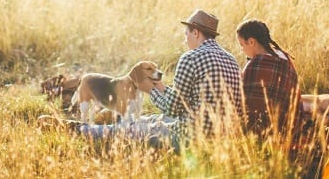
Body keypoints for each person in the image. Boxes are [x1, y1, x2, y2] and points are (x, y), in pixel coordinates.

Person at [75, 9, 243, 151]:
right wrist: (162, 87)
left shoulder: (190, 58)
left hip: (188, 137)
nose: (185, 39)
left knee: (125, 130)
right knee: (149, 119)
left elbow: (173, 109)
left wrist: (151, 91)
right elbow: (188, 102)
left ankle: (82, 130)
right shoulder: (232, 60)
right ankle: (104, 121)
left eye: (186, 34)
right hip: (221, 138)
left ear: (196, 32)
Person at [236, 19, 301, 135]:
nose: (242, 50)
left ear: (251, 42)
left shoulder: (255, 64)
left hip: (262, 133)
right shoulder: (286, 59)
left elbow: (245, 103)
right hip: (289, 129)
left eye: (242, 45)